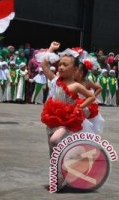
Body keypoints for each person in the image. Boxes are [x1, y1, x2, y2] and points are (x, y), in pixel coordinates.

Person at [40, 42, 96, 190]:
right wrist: (51, 49)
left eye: (66, 65)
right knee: (52, 152)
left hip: (67, 121)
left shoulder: (76, 86)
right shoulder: (54, 81)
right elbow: (44, 66)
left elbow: (91, 96)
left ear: (75, 69)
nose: (61, 67)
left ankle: (67, 167)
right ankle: (57, 181)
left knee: (55, 140)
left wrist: (79, 107)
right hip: (51, 119)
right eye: (60, 64)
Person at [74, 59, 104, 133]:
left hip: (86, 106)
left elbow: (99, 88)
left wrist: (93, 97)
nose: (74, 71)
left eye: (76, 70)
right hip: (75, 104)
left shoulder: (87, 82)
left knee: (86, 126)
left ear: (81, 72)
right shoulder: (72, 81)